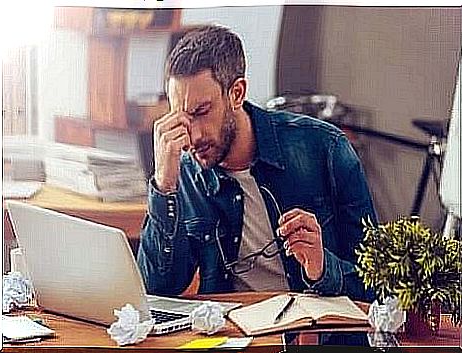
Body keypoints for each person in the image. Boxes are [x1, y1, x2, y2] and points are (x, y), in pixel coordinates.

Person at [137, 24, 377, 301]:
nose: (194, 134)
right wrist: (164, 185)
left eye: (202, 111)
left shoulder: (326, 148)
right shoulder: (186, 171)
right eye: (182, 116)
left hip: (313, 336)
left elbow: (376, 285)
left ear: (237, 93)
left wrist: (322, 267)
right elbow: (158, 289)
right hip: (230, 337)